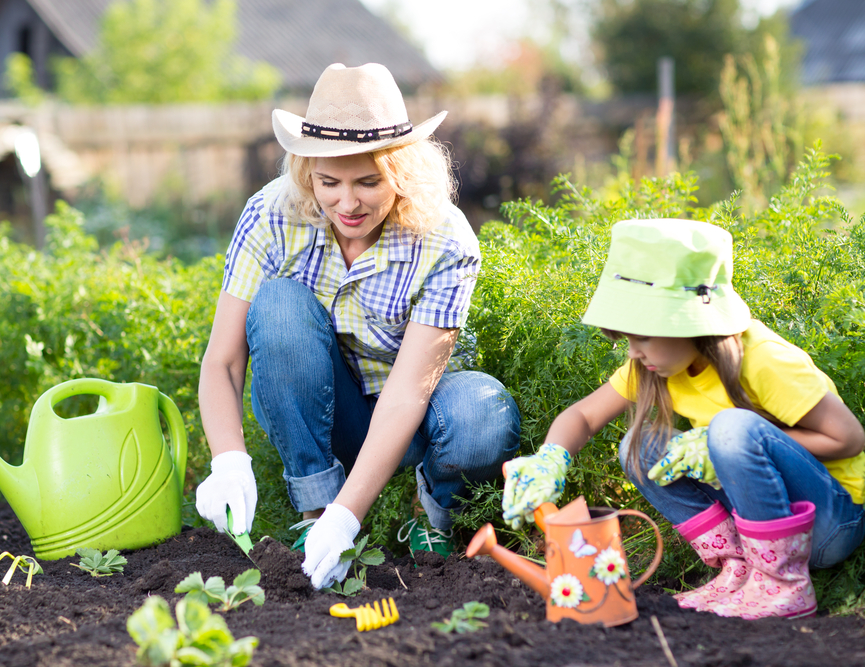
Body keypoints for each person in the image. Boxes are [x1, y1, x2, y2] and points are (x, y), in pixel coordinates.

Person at [194, 63, 521, 590]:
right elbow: (224, 360)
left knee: (484, 417)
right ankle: (314, 510)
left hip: (417, 415)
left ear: (402, 173)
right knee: (278, 303)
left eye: (369, 182)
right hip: (331, 409)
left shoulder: (444, 239)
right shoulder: (272, 216)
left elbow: (407, 396)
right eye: (329, 182)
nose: (347, 203)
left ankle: (430, 514)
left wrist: (352, 517)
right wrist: (228, 459)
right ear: (307, 172)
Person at [501, 218, 865, 620]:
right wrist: (550, 458)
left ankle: (783, 585)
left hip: (831, 521)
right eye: (628, 338)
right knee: (639, 446)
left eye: (643, 336)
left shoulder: (762, 360)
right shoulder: (657, 366)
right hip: (761, 525)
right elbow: (584, 416)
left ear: (690, 322)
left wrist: (724, 442)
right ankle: (739, 567)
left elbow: (849, 438)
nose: (634, 352)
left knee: (730, 427)